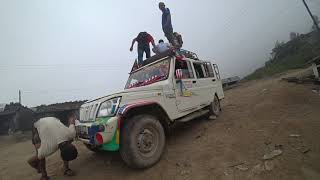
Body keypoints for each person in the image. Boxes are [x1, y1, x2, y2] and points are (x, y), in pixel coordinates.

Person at [27, 112, 78, 180]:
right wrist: (37, 166)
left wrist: (73, 118)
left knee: (68, 148)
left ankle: (66, 169)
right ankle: (44, 175)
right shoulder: (47, 148)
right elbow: (30, 161)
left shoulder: (71, 134)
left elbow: (71, 121)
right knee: (40, 154)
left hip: (53, 120)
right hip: (38, 125)